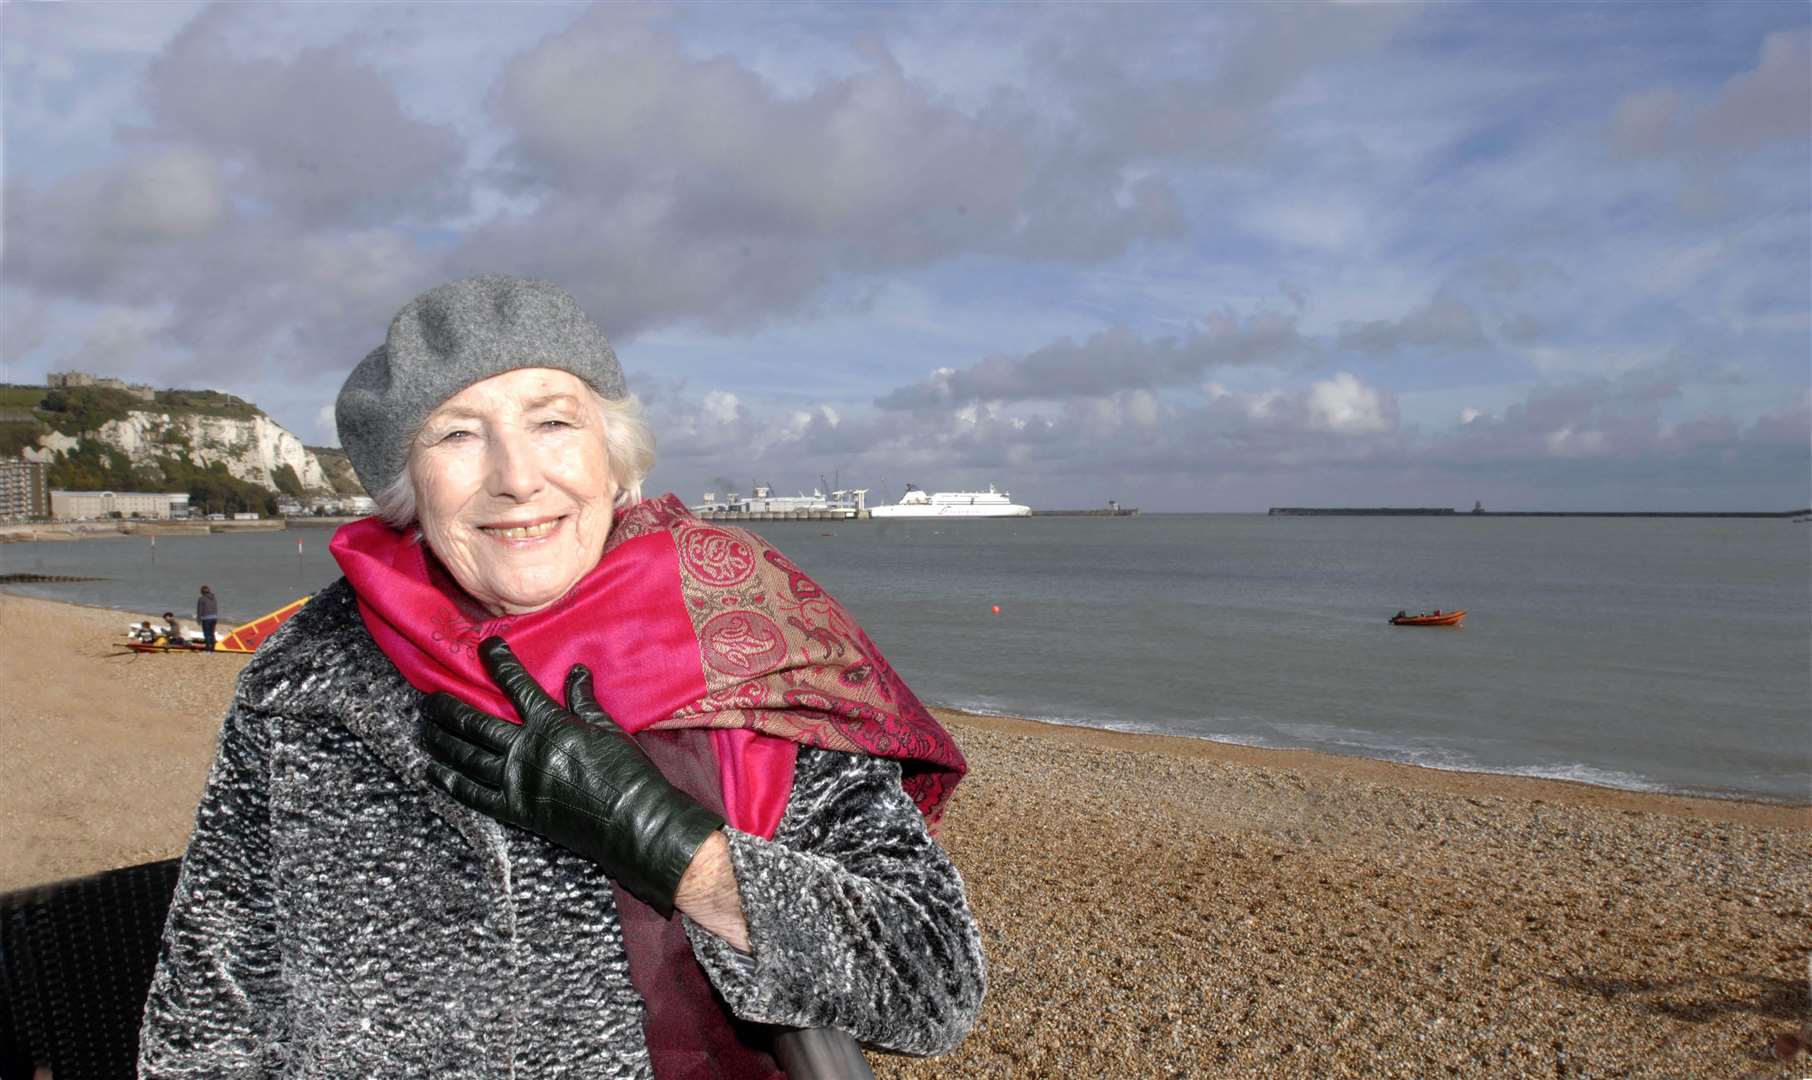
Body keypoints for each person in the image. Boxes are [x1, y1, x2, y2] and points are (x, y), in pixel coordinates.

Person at [139, 275, 986, 1077]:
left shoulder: (749, 637)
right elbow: (215, 996)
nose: (516, 477)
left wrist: (674, 848)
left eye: (553, 424)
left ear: (614, 460)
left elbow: (933, 982)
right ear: (408, 486)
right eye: (458, 434)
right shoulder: (305, 681)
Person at [195, 585, 218, 651]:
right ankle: (213, 648)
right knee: (212, 633)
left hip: (206, 618)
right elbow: (215, 608)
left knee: (206, 634)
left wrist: (198, 619)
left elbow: (199, 610)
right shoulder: (213, 598)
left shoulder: (201, 599)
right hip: (214, 617)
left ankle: (207, 649)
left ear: (201, 592)